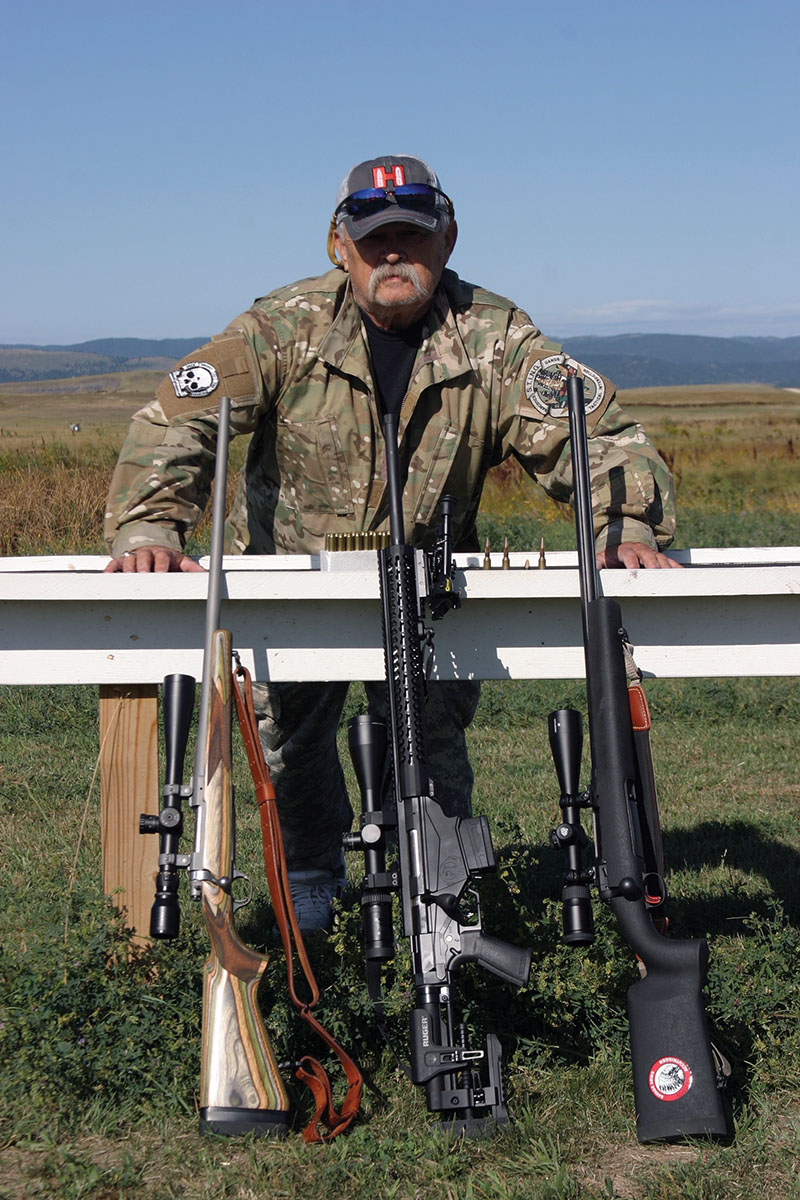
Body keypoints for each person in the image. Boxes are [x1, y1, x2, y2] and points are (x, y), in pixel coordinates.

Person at [104, 154, 680, 929]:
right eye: (374, 239)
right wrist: (151, 524)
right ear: (339, 245)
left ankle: (438, 895)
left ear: (448, 239)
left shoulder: (494, 336)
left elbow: (594, 434)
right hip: (289, 580)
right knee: (289, 745)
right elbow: (179, 419)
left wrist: (622, 522)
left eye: (411, 236)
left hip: (426, 585)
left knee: (428, 743)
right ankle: (312, 879)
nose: (393, 255)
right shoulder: (283, 326)